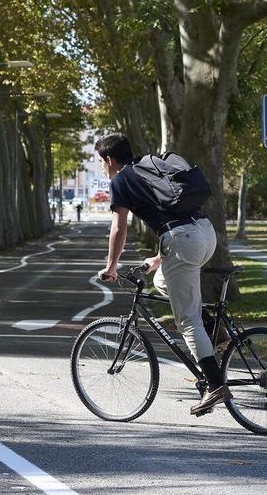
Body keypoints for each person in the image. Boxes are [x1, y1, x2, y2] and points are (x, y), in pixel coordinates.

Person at [95, 133, 228, 414]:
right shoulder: (148, 166)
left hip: (184, 239)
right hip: (204, 231)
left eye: (101, 162)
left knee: (188, 322)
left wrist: (111, 266)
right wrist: (159, 257)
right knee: (161, 281)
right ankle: (214, 332)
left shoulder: (120, 180)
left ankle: (215, 385)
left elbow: (119, 228)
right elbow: (168, 212)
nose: (102, 168)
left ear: (109, 160)